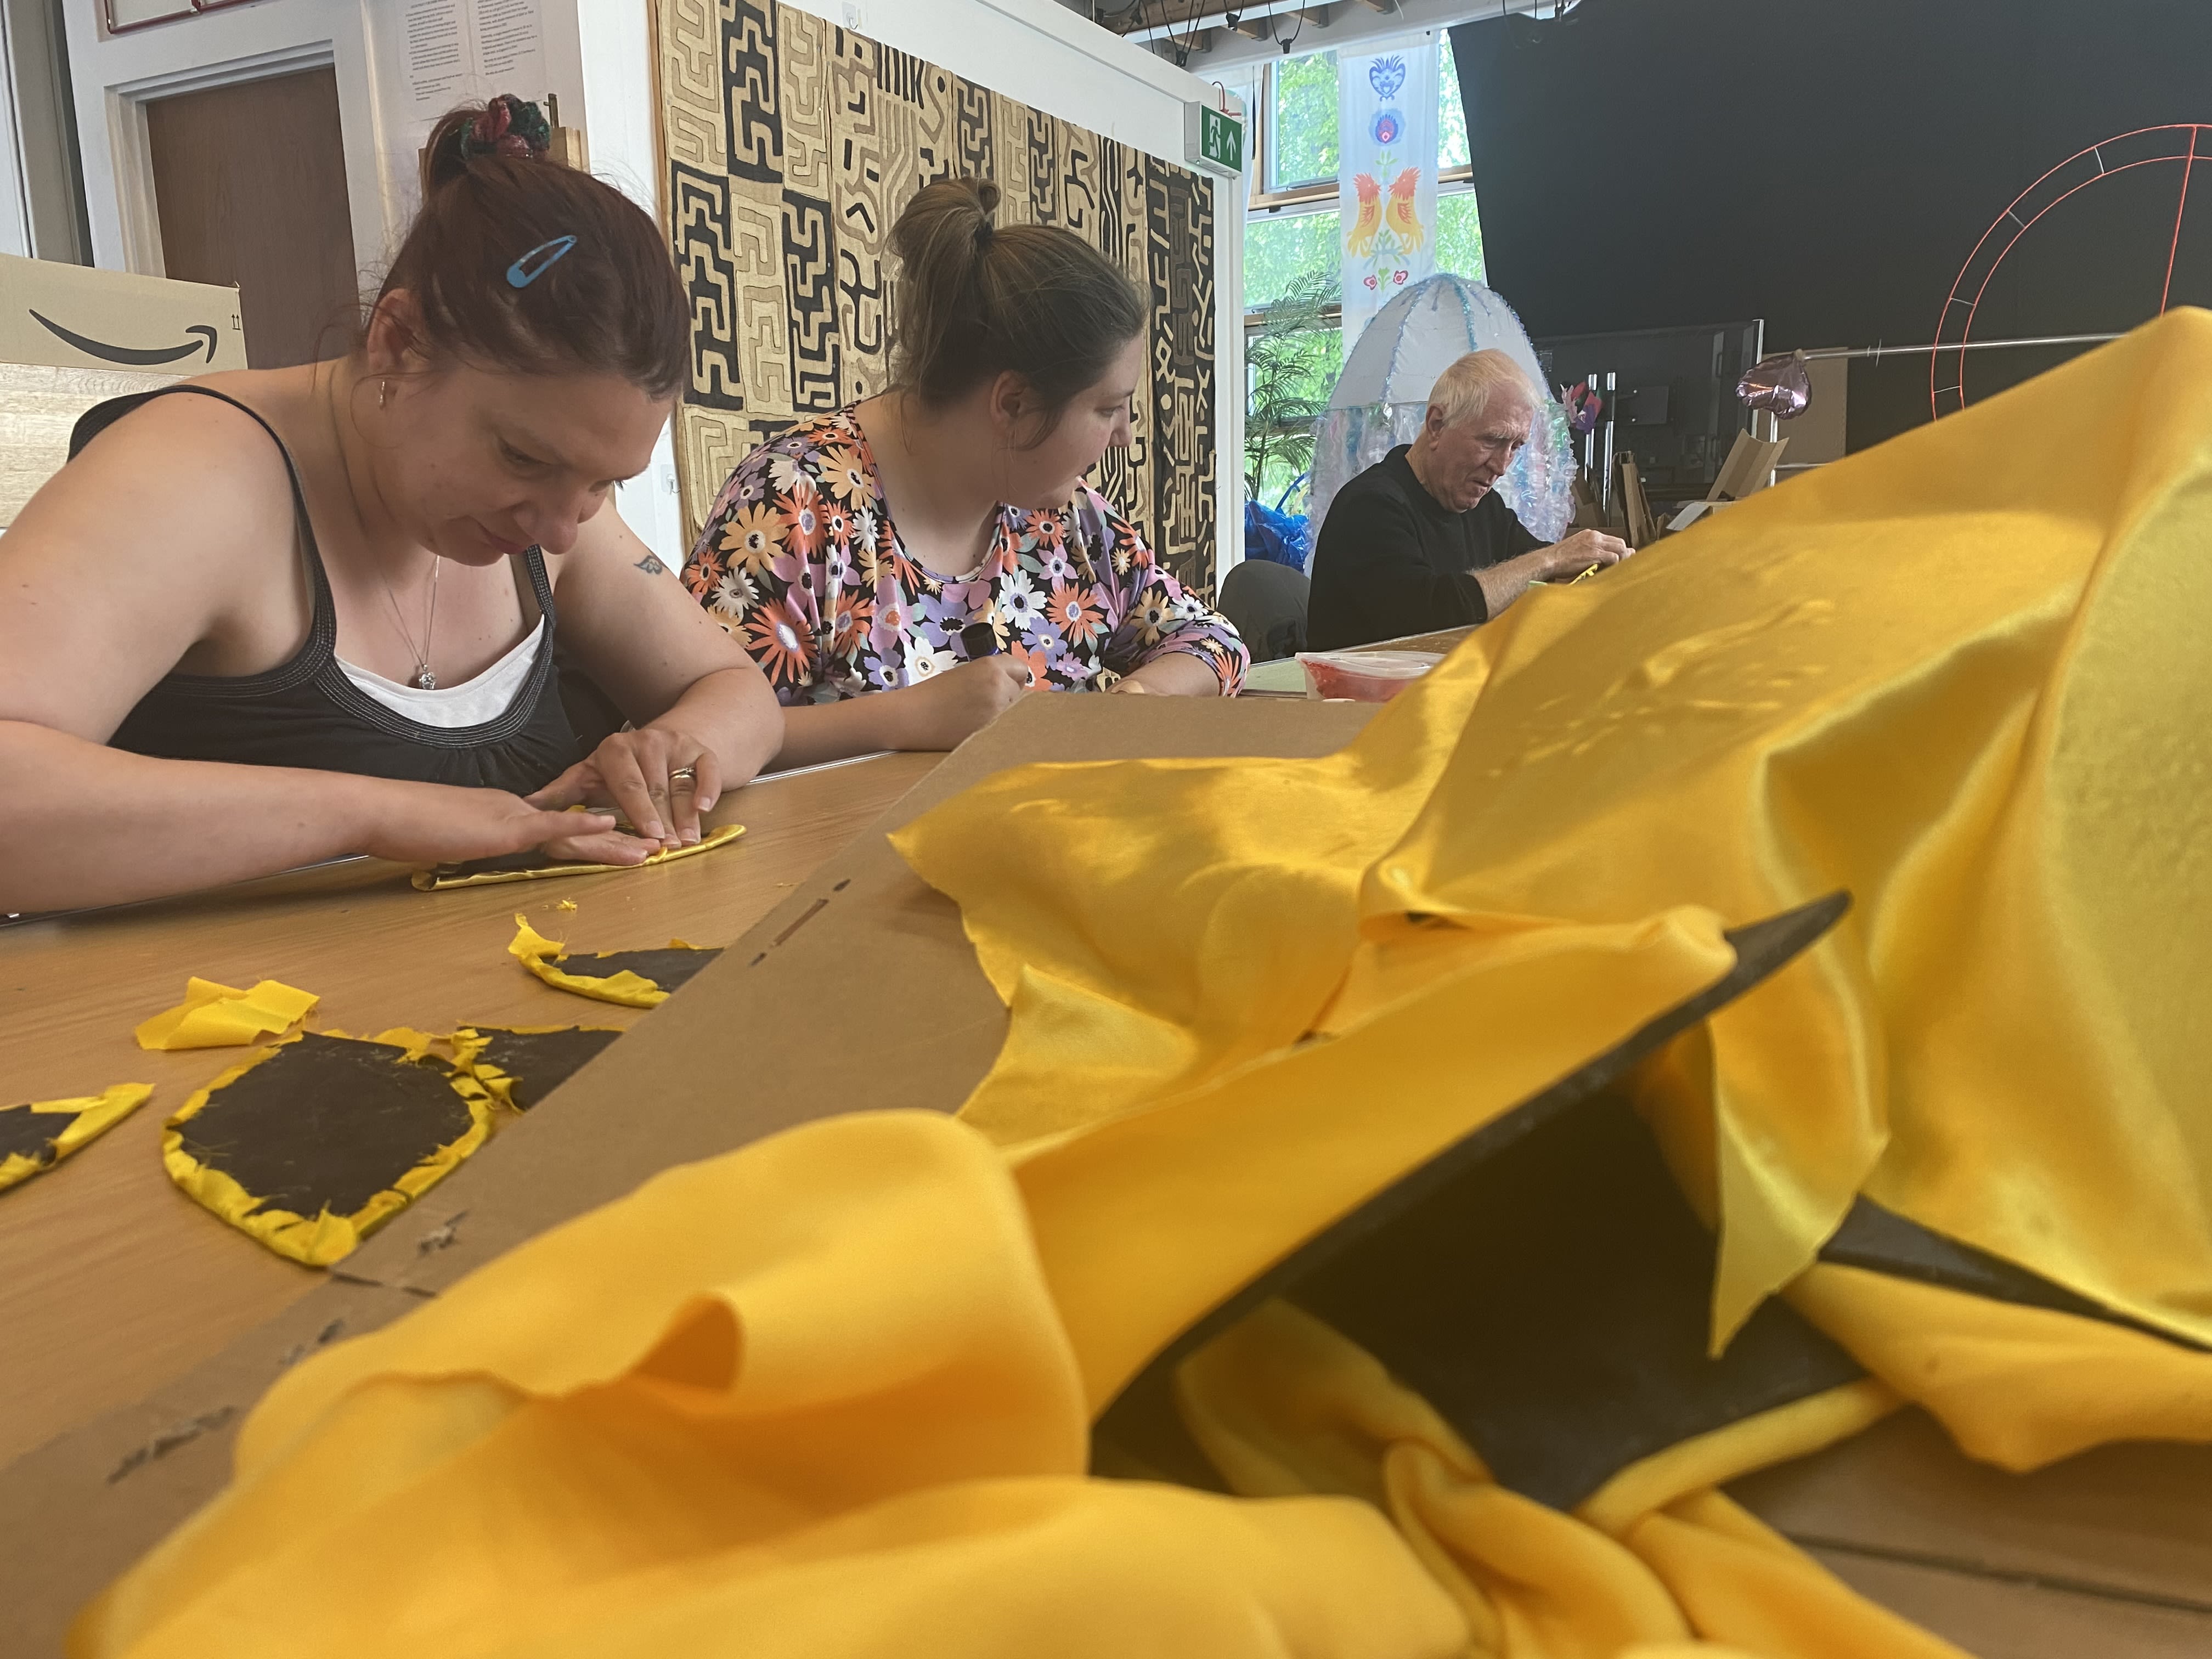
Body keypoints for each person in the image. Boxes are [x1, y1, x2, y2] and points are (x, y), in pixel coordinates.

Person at [0, 97, 782, 916]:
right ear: (398, 344)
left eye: (601, 485)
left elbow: (734, 688)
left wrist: (678, 753)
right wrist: (376, 811)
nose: (558, 530)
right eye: (522, 457)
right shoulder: (195, 475)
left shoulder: (553, 510)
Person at [681, 177, 1247, 765]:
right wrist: (902, 719)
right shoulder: (796, 505)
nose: (1126, 435)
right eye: (1107, 409)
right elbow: (691, 742)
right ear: (1012, 404)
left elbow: (1212, 641)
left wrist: (1141, 696)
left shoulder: (1065, 521)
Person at [1305, 349, 1631, 651]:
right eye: (1492, 440)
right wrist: (1552, 559)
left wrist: (1606, 576)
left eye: (1516, 446)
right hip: (1355, 708)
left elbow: (1540, 572)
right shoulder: (1370, 508)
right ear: (1436, 425)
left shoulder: (1481, 506)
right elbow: (1429, 618)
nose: (1502, 466)